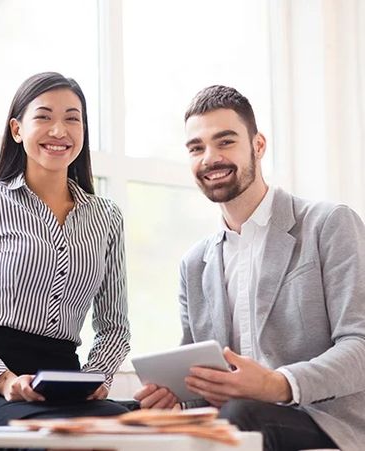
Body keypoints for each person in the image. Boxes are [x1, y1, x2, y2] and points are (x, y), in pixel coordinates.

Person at [134, 85, 365, 451]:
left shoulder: (329, 224)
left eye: (225, 142)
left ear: (258, 145)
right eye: (197, 148)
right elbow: (198, 380)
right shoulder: (195, 264)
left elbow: (360, 344)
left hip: (327, 419)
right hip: (236, 417)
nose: (210, 158)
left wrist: (277, 384)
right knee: (127, 415)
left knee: (242, 415)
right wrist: (174, 397)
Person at [0, 72, 131, 429]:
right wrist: (4, 379)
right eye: (44, 117)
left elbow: (115, 327)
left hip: (65, 388)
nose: (59, 130)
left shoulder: (107, 217)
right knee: (40, 434)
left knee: (130, 427)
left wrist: (97, 377)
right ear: (17, 130)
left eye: (72, 118)